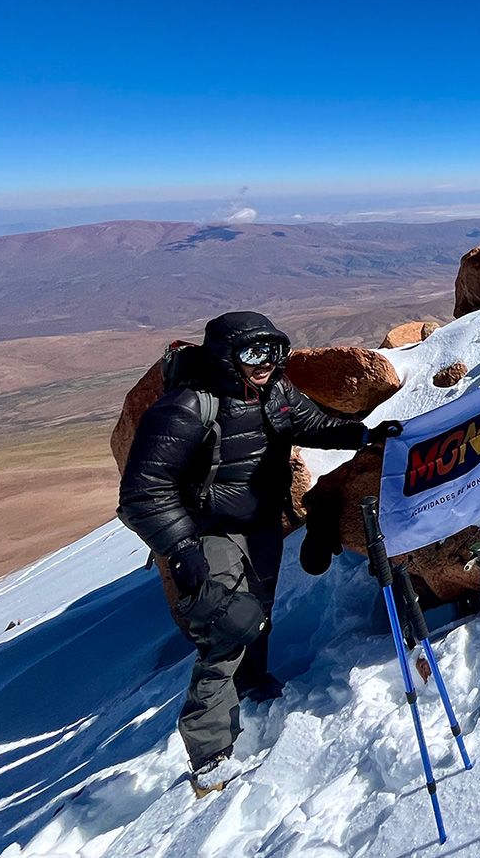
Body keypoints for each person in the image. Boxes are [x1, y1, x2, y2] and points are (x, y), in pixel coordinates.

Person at [118, 311, 401, 794]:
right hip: (209, 531)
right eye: (252, 353)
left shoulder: (273, 391)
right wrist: (182, 549)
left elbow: (306, 422)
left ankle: (253, 684)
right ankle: (209, 755)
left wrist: (361, 435)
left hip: (261, 523)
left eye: (272, 352)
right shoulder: (186, 407)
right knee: (227, 627)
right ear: (226, 357)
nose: (264, 363)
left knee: (259, 610)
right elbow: (143, 493)